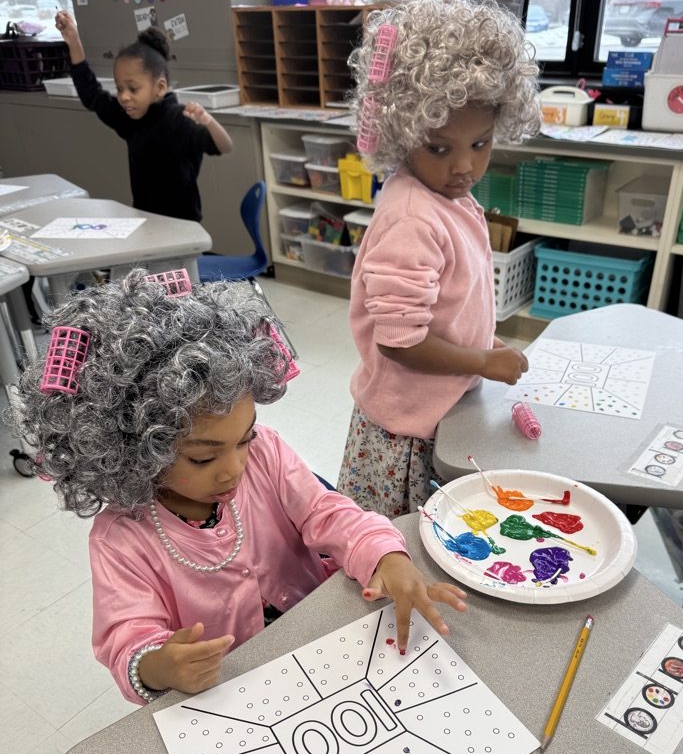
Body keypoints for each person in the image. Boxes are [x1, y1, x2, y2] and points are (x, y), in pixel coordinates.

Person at [8, 270, 467, 705]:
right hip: (232, 689)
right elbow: (127, 639)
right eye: (203, 458)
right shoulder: (121, 540)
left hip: (321, 640)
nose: (234, 469)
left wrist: (385, 555)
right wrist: (161, 666)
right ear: (132, 450)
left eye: (244, 439)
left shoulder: (266, 453)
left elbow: (326, 512)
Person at [337, 0, 541, 518]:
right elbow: (400, 342)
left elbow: (450, 304)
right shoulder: (413, 219)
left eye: (481, 143)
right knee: (401, 543)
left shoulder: (449, 198)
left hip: (440, 411)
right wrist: (482, 362)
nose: (465, 167)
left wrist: (483, 343)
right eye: (440, 148)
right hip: (403, 435)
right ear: (401, 133)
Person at [55, 10, 232, 222]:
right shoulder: (129, 118)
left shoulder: (178, 119)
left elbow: (224, 146)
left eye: (133, 89)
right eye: (120, 88)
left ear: (160, 87)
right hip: (145, 219)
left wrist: (208, 121)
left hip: (183, 225)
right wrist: (74, 42)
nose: (124, 97)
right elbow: (91, 93)